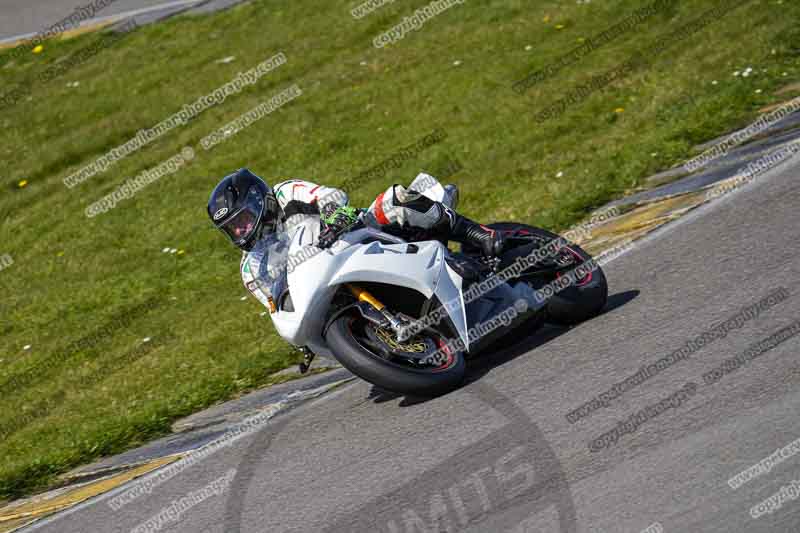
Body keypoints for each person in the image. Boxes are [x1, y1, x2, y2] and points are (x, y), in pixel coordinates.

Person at [207, 168, 505, 309]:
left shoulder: (285, 193)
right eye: (232, 229)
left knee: (396, 199)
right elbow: (276, 307)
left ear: (259, 201)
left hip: (358, 236)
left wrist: (333, 218)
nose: (241, 231)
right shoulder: (251, 270)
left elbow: (332, 195)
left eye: (243, 220)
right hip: (328, 288)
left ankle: (478, 233)